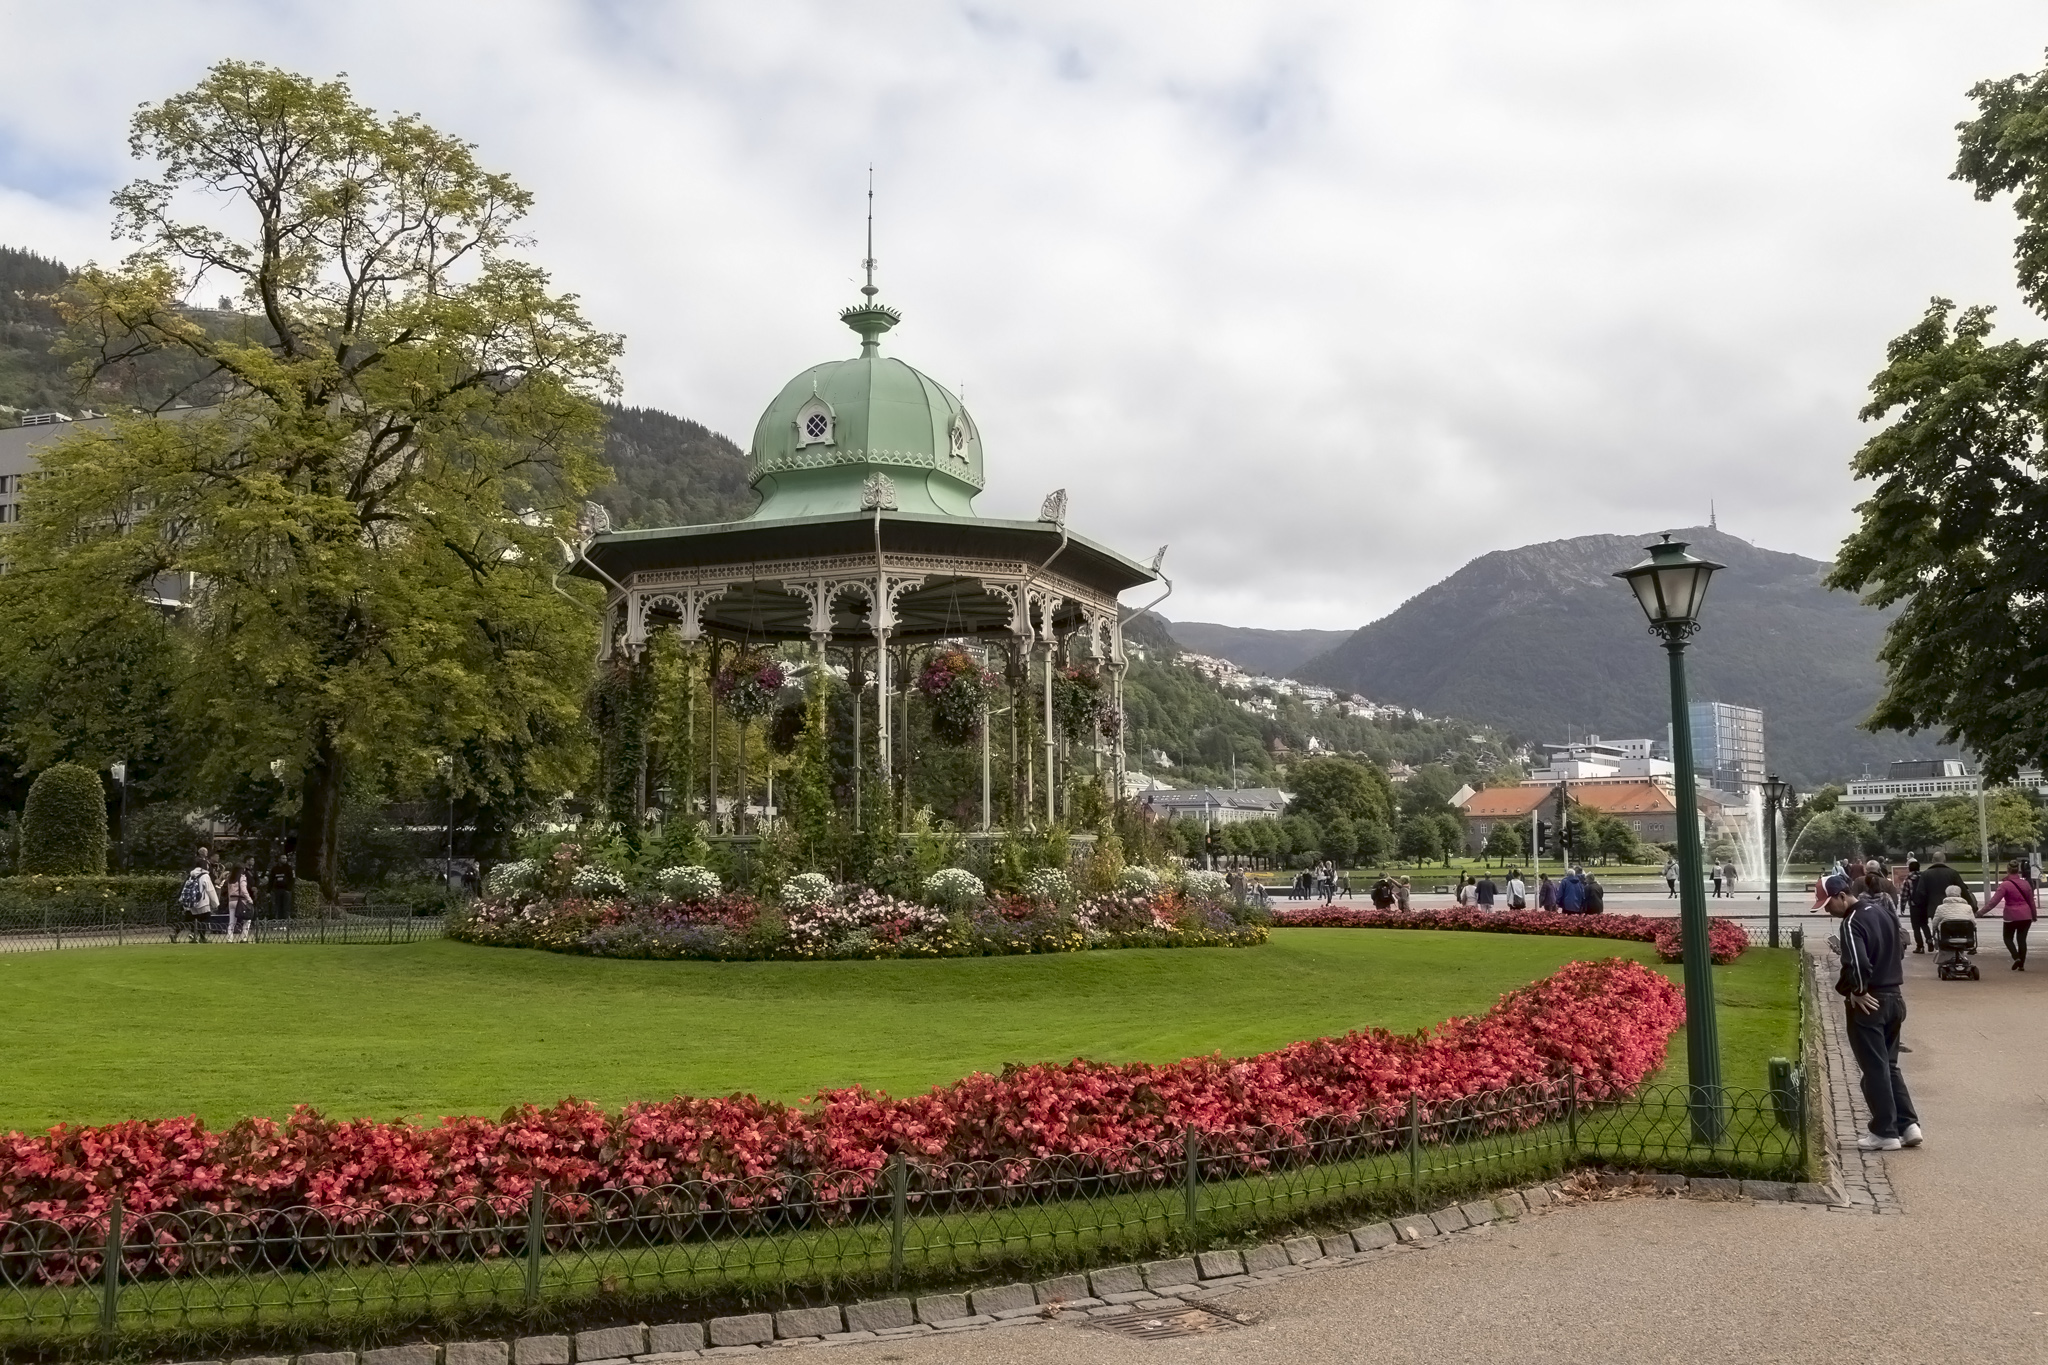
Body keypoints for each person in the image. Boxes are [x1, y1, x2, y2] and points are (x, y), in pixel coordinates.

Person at [1827, 871, 1920, 1151]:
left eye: (1828, 904)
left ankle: (1884, 1131)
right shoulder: (1883, 913)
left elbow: (1858, 962)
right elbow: (1900, 947)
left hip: (1871, 1000)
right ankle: (1908, 1124)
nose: (1827, 911)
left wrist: (1857, 991)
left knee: (1874, 1066)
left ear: (1842, 896)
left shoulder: (1852, 920)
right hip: (1895, 996)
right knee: (1889, 1065)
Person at [1982, 859, 2038, 971]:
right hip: (2026, 915)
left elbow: (1994, 902)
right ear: (2018, 871)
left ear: (2007, 870)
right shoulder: (2025, 883)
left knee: (2007, 938)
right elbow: (2031, 901)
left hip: (2011, 916)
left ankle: (2016, 957)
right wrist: (2034, 915)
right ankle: (2021, 964)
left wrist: (1981, 912)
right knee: (2022, 940)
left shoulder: (2005, 885)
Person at [1899, 859, 1929, 953]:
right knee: (1924, 924)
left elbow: (1904, 894)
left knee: (1916, 927)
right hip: (1924, 905)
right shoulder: (1924, 878)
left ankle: (1920, 946)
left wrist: (1902, 906)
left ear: (1909, 869)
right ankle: (1929, 940)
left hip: (1914, 905)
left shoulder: (1908, 880)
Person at [221, 862, 255, 942]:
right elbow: (243, 890)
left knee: (232, 921)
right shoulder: (242, 877)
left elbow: (229, 890)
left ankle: (229, 938)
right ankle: (244, 937)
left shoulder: (230, 878)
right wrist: (249, 899)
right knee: (247, 919)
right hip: (241, 900)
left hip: (232, 901)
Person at [266, 851, 294, 922]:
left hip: (286, 890)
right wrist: (268, 891)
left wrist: (288, 889)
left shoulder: (289, 868)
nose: (285, 860)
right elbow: (271, 880)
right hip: (277, 890)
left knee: (286, 907)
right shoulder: (275, 869)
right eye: (283, 858)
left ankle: (285, 923)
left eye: (285, 858)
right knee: (278, 907)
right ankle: (278, 922)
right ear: (279, 859)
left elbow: (292, 879)